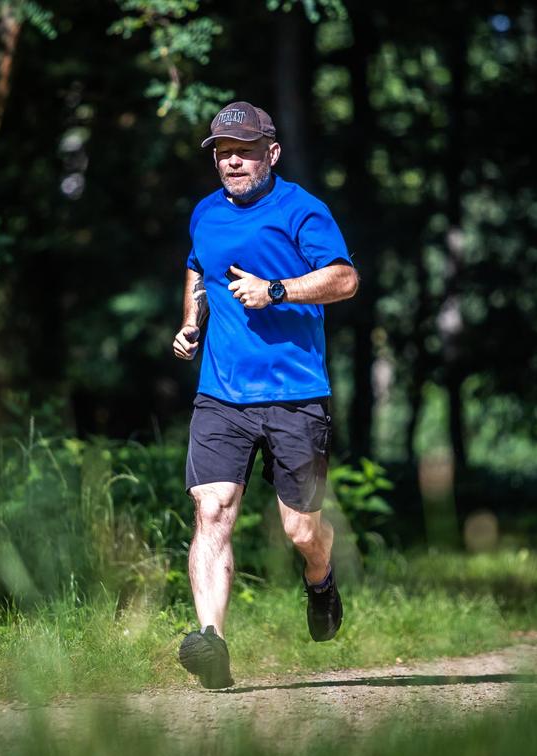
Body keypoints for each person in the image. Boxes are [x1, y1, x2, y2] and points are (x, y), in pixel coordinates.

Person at [173, 101, 358, 689]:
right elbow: (199, 272)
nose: (233, 161)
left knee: (301, 531)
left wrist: (276, 289)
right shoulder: (205, 213)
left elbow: (344, 278)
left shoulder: (304, 210)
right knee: (211, 510)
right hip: (221, 395)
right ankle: (212, 644)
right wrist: (191, 326)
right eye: (224, 152)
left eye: (245, 151)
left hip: (295, 393)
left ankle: (321, 578)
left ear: (271, 153)